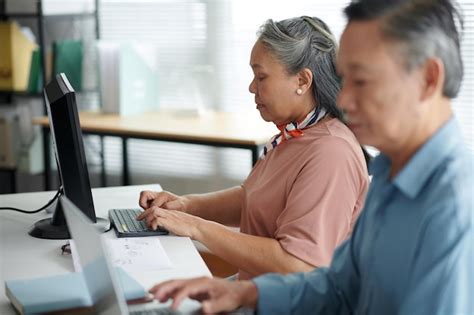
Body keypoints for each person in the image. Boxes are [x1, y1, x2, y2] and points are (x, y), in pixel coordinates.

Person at [146, 0, 474, 314]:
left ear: (428, 79)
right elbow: (340, 286)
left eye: (360, 80)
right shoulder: (391, 172)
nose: (343, 99)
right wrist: (246, 292)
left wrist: (196, 227)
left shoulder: (455, 209)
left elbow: (302, 266)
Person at [137, 16, 369, 280]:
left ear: (303, 81)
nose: (251, 87)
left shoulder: (330, 153)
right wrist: (185, 206)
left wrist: (195, 228)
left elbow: (299, 264)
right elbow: (253, 199)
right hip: (256, 291)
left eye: (261, 77)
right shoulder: (295, 134)